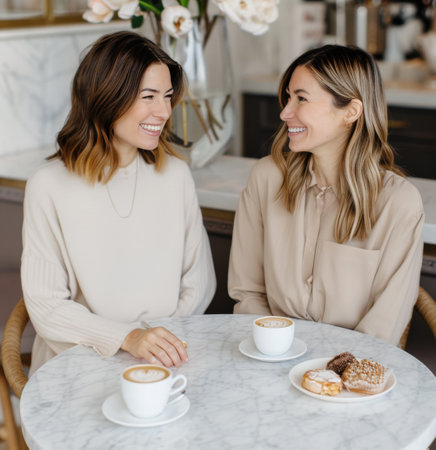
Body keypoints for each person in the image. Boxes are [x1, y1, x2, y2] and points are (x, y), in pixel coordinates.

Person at [21, 31, 216, 375]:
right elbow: (47, 306)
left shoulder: (176, 175)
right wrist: (129, 338)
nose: (165, 110)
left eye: (168, 96)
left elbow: (199, 284)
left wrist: (158, 343)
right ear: (107, 97)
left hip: (165, 362)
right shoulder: (49, 185)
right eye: (149, 96)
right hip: (78, 367)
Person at [228, 45, 424, 345]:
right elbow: (248, 293)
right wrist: (275, 352)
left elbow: (383, 327)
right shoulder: (266, 179)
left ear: (351, 111)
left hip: (351, 374)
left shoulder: (398, 204)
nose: (284, 112)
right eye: (288, 98)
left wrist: (327, 377)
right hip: (271, 359)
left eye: (301, 99)